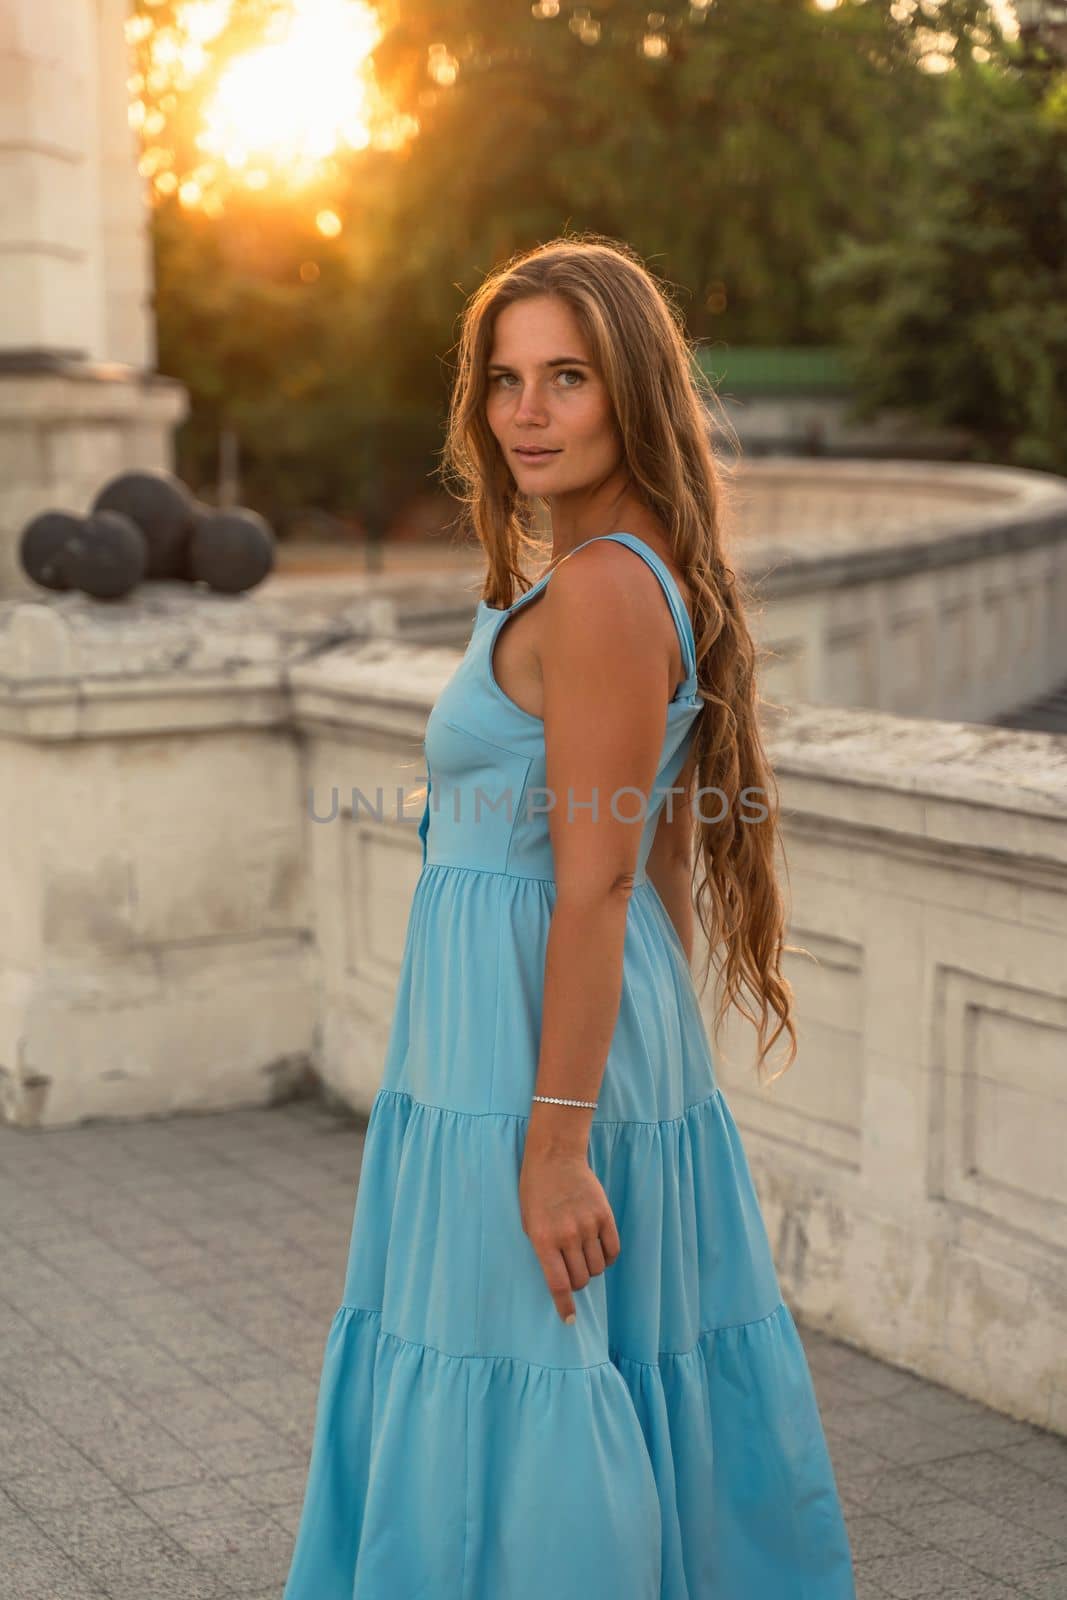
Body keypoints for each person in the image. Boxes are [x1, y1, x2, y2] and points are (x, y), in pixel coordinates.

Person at [282, 235, 856, 1599]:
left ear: (633, 395)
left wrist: (557, 1147)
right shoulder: (614, 572)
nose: (526, 413)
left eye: (567, 379)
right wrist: (640, 1087)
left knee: (519, 1372)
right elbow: (653, 865)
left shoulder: (601, 587)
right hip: (567, 1037)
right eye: (504, 380)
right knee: (600, 1362)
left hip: (530, 1057)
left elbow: (598, 881)